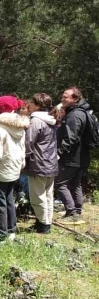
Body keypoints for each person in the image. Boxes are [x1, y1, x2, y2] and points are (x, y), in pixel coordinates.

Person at [0, 95, 30, 241]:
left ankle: (0, 233)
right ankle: (11, 229)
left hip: (0, 168)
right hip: (14, 167)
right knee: (9, 198)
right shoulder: (20, 126)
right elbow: (22, 147)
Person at [56, 87, 92, 225]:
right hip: (81, 156)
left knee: (60, 184)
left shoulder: (74, 115)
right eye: (63, 96)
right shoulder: (81, 112)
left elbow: (71, 138)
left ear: (75, 99)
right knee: (75, 184)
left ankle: (72, 212)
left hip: (72, 157)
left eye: (66, 97)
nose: (62, 99)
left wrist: (59, 152)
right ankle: (77, 210)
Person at [25, 93, 58, 234]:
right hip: (51, 162)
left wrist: (23, 159)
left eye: (30, 102)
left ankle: (43, 225)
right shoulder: (51, 120)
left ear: (37, 105)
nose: (28, 105)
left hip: (38, 163)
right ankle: (46, 221)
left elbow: (28, 143)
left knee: (37, 196)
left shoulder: (36, 121)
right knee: (48, 194)